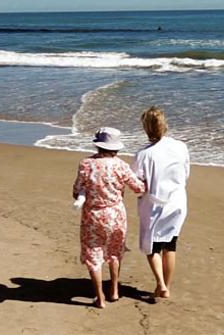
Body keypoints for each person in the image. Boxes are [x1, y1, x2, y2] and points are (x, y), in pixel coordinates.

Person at [72, 127, 145, 309]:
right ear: (116, 147)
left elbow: (76, 191)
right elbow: (139, 188)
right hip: (115, 214)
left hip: (93, 215)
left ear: (98, 145)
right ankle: (114, 290)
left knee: (93, 255)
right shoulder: (120, 165)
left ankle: (100, 297)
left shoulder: (86, 164)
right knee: (115, 252)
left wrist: (85, 194)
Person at [133, 106, 190, 300]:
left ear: (146, 128)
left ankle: (161, 284)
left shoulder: (144, 154)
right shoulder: (180, 146)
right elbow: (186, 172)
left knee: (152, 247)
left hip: (154, 204)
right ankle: (166, 286)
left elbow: (137, 184)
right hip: (177, 201)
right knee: (170, 245)